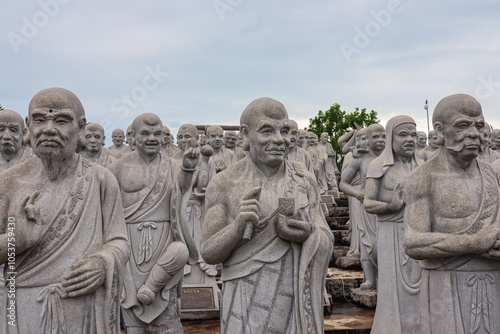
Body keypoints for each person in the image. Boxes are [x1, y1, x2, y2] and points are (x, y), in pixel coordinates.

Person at [0, 87, 130, 333]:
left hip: (83, 309)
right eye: (40, 119)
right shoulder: (9, 183)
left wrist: (102, 264)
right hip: (22, 310)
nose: (49, 129)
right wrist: (18, 240)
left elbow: (119, 241)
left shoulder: (101, 180)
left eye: (61, 120)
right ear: (28, 126)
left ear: (81, 128)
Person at [201, 97, 333, 333]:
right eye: (267, 131)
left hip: (294, 297)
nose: (279, 140)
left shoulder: (303, 180)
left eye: (283, 131)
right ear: (244, 135)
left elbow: (323, 234)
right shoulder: (224, 183)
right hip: (243, 299)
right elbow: (209, 252)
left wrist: (308, 234)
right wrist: (237, 228)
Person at [404, 94, 500, 334]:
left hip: (493, 282)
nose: (474, 134)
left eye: (479, 126)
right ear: (440, 130)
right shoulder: (423, 178)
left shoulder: (492, 175)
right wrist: (471, 243)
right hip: (444, 287)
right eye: (463, 125)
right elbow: (413, 242)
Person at [110, 114, 199, 333]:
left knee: (180, 251)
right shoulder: (117, 168)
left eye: (157, 134)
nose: (152, 138)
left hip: (163, 237)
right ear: (133, 136)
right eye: (146, 133)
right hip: (130, 240)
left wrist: (187, 168)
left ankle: (152, 287)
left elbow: (182, 189)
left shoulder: (172, 165)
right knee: (131, 308)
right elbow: (108, 207)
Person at [364, 115, 424, 333]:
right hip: (391, 232)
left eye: (413, 134)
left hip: (419, 233)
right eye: (403, 134)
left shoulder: (423, 165)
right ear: (391, 137)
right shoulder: (378, 165)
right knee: (392, 287)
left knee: (422, 285)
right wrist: (391, 206)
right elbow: (368, 203)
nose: (409, 139)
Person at [339, 123, 386, 289]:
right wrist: (357, 193)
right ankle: (370, 279)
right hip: (366, 207)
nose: (380, 140)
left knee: (386, 242)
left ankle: (386, 278)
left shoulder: (391, 158)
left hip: (388, 208)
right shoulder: (360, 158)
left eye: (383, 136)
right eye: (375, 137)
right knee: (367, 242)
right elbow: (343, 183)